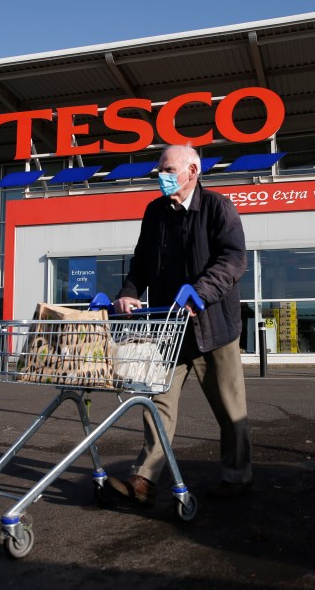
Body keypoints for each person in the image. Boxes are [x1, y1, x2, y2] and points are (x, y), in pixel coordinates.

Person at [107, 144, 252, 504]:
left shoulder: (219, 208)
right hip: (168, 330)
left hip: (214, 329)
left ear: (193, 171)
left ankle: (236, 478)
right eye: (160, 170)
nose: (162, 177)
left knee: (230, 410)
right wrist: (127, 292)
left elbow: (233, 261)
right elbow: (141, 262)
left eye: (169, 170)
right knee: (158, 403)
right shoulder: (155, 213)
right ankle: (144, 479)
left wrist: (198, 293)